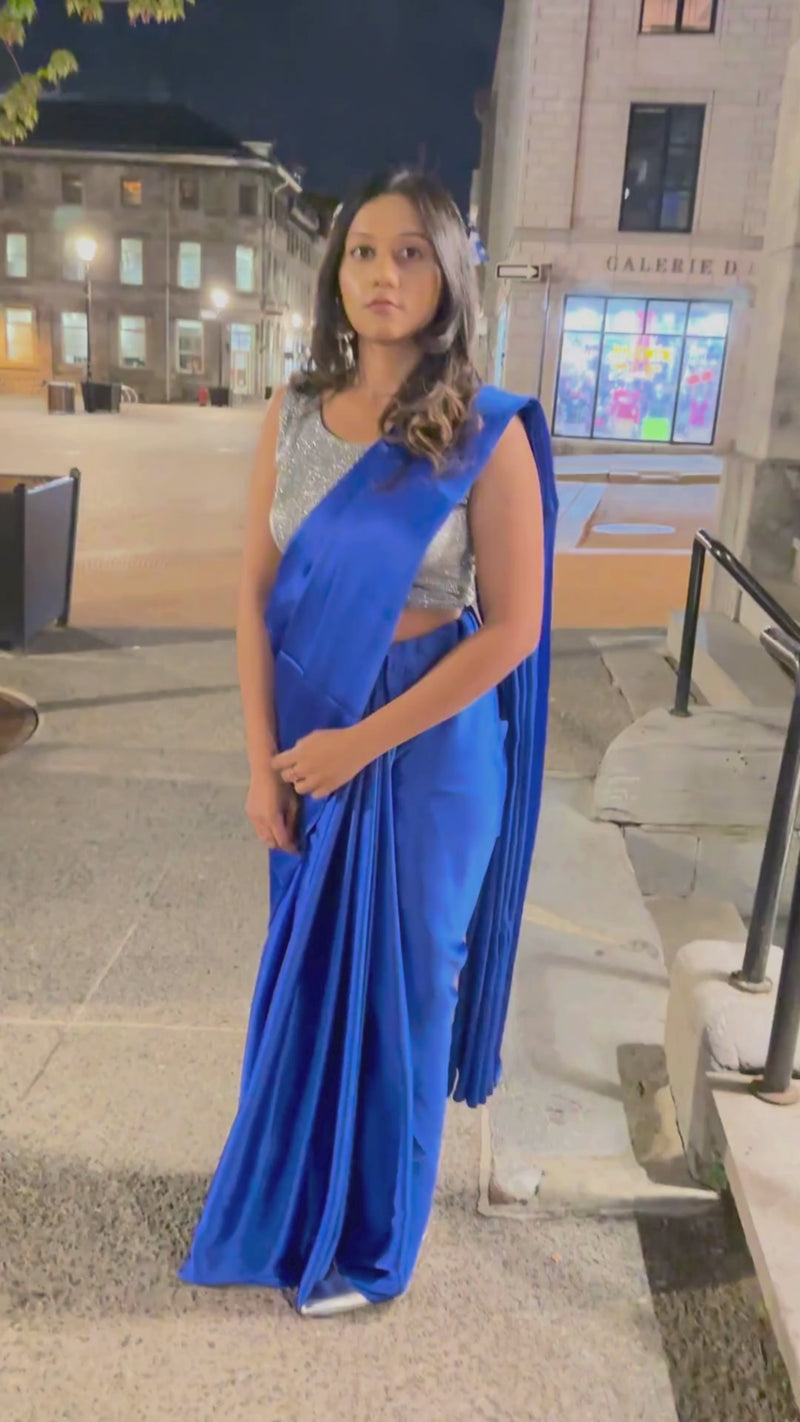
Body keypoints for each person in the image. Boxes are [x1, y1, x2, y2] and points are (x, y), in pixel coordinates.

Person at [179, 169, 557, 1318]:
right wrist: (263, 761)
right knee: (306, 980)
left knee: (399, 992)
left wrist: (361, 745)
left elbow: (511, 634)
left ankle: (371, 1245)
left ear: (447, 278)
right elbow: (252, 594)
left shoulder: (483, 431)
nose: (379, 274)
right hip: (305, 730)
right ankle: (294, 1204)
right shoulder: (290, 415)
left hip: (431, 741)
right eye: (359, 253)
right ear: (332, 275)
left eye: (407, 254)